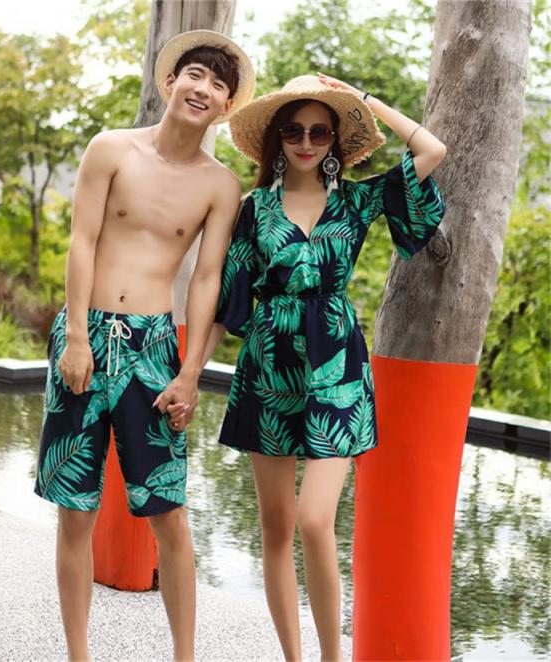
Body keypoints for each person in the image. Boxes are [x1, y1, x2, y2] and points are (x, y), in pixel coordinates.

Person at [170, 73, 447, 661]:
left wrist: (363, 101)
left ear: (335, 141)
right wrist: (190, 373)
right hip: (268, 369)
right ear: (277, 137)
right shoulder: (253, 210)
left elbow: (432, 150)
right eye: (293, 130)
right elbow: (226, 302)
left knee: (316, 521)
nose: (305, 141)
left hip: (337, 370)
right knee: (276, 527)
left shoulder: (356, 201)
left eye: (320, 132)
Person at [33, 30, 255, 662]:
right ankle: (79, 654)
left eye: (218, 84)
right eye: (195, 75)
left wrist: (191, 372)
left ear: (226, 106)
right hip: (87, 334)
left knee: (169, 512)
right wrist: (77, 336)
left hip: (155, 348)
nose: (203, 88)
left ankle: (184, 656)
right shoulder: (111, 149)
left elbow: (207, 279)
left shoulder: (220, 186)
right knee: (75, 510)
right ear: (171, 82)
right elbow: (82, 240)